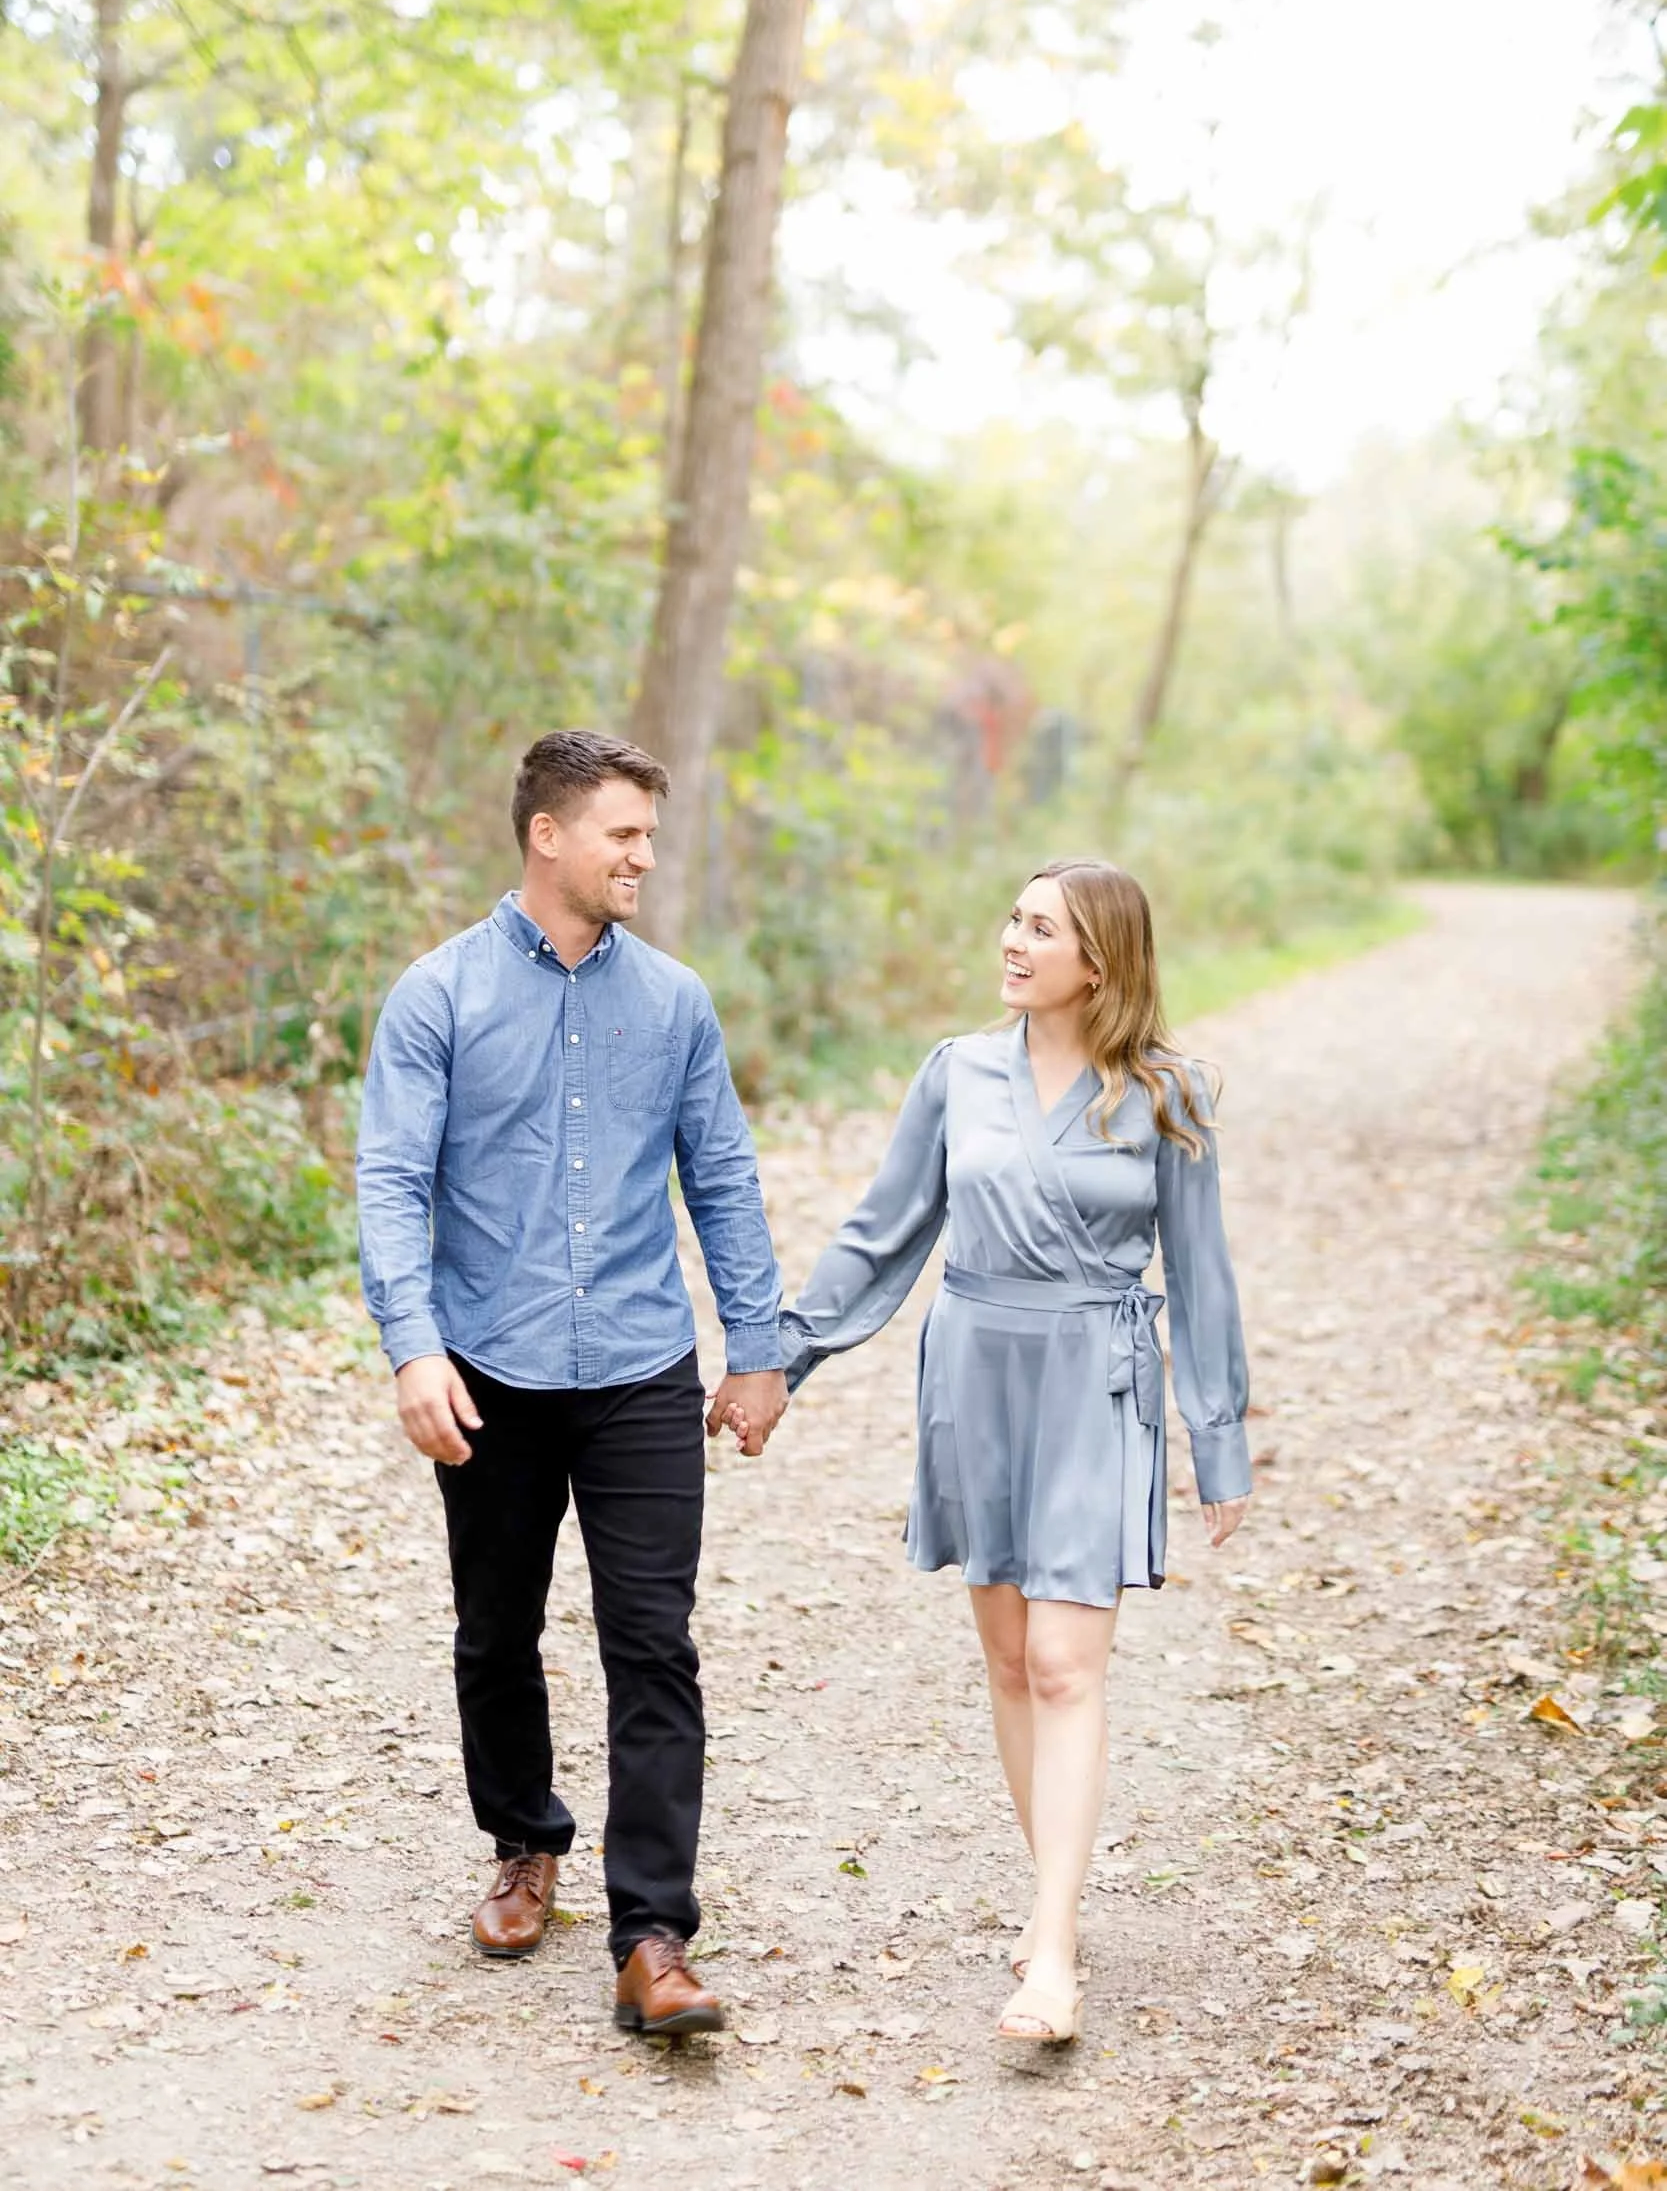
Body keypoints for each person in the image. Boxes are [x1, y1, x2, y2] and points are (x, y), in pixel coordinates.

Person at [356, 729, 788, 2036]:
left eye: (648, 835)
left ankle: (651, 1933)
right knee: (496, 1630)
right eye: (622, 834)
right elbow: (391, 1179)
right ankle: (523, 1839)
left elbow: (718, 1177)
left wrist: (757, 1346)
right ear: (548, 836)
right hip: (488, 1367)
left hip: (643, 1372)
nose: (642, 857)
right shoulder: (437, 997)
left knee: (652, 1644)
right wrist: (411, 1342)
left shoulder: (674, 1004)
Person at [779, 858, 1252, 2044]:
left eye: (1038, 928)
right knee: (1003, 1658)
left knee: (1062, 1663)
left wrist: (1218, 1438)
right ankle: (1061, 1901)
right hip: (975, 1371)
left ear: (1100, 959)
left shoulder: (1168, 1094)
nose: (1010, 940)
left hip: (1094, 1376)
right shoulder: (956, 1073)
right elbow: (880, 1236)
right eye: (1010, 917)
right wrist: (779, 1356)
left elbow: (1200, 1279)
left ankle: (1049, 1955)